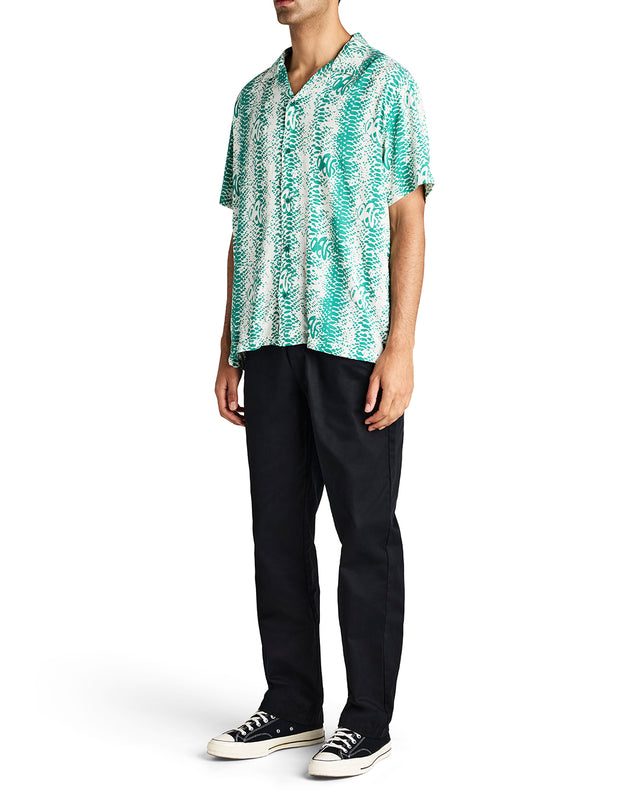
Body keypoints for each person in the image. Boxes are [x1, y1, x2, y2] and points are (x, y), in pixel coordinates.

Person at [208, 0, 434, 778]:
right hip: (268, 340)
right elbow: (242, 231)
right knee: (276, 531)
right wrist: (229, 347)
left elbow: (409, 220)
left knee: (365, 532)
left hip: (352, 344)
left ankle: (367, 720)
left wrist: (400, 349)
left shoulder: (386, 86)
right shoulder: (253, 99)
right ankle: (292, 704)